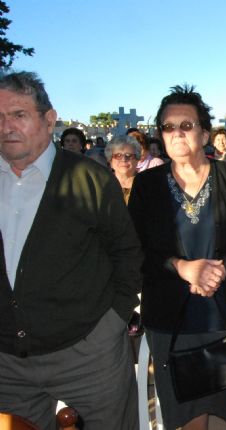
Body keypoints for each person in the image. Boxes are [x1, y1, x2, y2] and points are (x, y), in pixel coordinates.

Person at [0, 71, 142, 429]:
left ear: (49, 120)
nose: (6, 126)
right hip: (8, 363)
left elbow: (126, 251)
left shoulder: (89, 179)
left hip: (88, 354)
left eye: (18, 115)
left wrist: (114, 320)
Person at [128, 85, 226, 430]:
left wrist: (221, 270)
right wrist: (182, 267)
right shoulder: (147, 186)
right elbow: (134, 250)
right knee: (189, 420)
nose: (177, 133)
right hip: (175, 323)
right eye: (168, 126)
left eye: (186, 125)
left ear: (204, 133)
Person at [105, 135, 141, 204]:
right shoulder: (103, 185)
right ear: (110, 160)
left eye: (129, 155)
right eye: (118, 155)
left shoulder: (147, 185)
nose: (124, 159)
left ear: (137, 159)